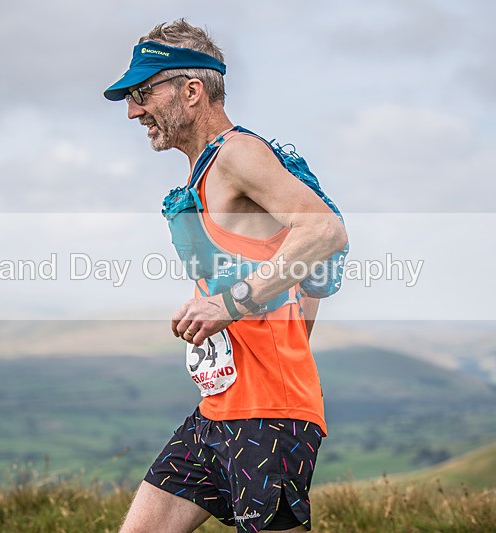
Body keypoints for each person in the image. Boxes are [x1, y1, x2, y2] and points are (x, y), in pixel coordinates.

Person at [104, 19, 348, 533]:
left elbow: (325, 232)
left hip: (268, 417)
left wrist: (231, 303)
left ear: (192, 91)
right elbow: (311, 269)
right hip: (219, 411)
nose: (133, 110)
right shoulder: (205, 170)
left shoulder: (238, 155)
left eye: (144, 92)